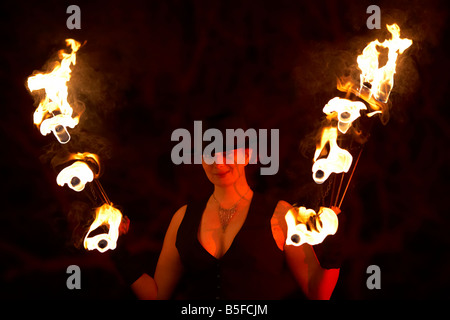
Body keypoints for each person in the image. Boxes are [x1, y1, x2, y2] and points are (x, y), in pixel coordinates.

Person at [127, 134, 341, 300]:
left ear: (246, 155)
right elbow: (156, 296)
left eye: (226, 153)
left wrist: (334, 247)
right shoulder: (183, 217)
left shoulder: (281, 214)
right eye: (209, 154)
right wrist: (114, 248)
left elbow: (318, 293)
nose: (217, 163)